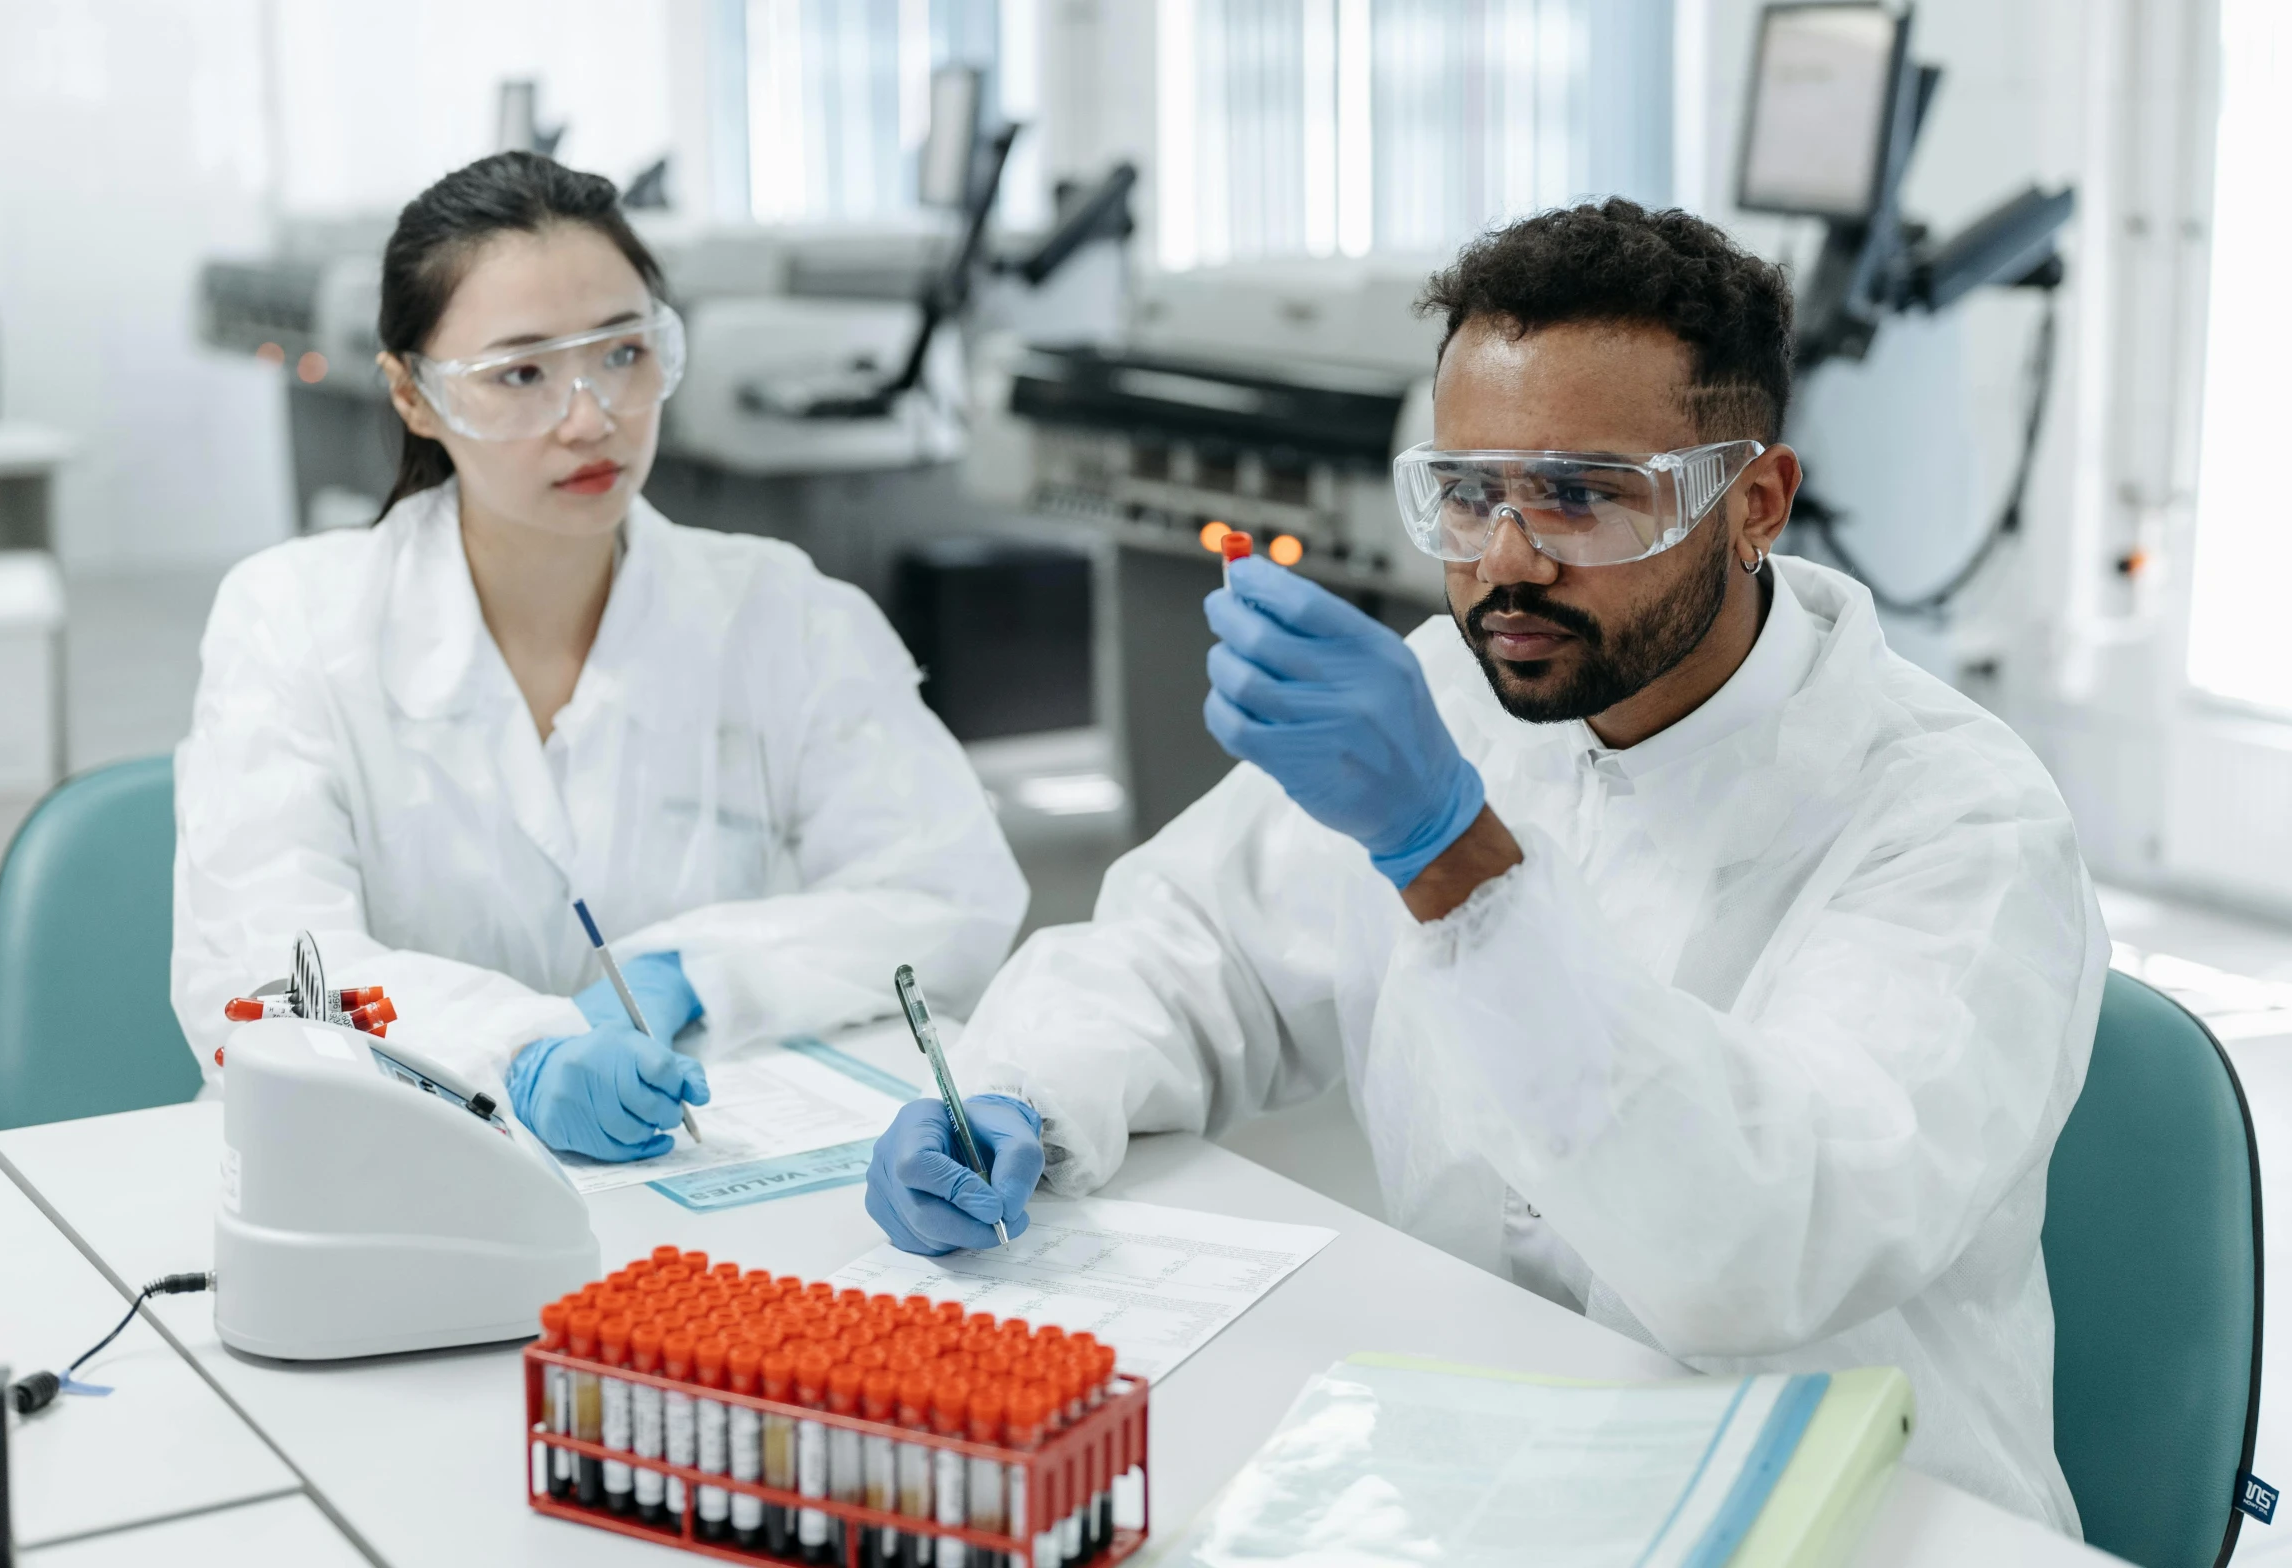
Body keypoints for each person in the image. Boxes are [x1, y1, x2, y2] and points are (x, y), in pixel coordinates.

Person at [864, 199, 2103, 1533]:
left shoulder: (1958, 825)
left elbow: (1761, 1247)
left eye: (1579, 495)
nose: (1505, 562)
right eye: (1466, 493)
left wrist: (1453, 854)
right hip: (1485, 1458)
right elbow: (1191, 950)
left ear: (1752, 506)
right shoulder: (1454, 693)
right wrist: (1017, 1094)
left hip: (1861, 1508)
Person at [175, 152, 1027, 1161]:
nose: (591, 418)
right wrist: (518, 1051)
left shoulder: (784, 615)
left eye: (623, 352)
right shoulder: (294, 622)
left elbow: (949, 898)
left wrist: (693, 972)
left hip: (702, 1182)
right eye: (521, 373)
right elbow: (265, 965)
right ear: (412, 396)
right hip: (383, 1171)